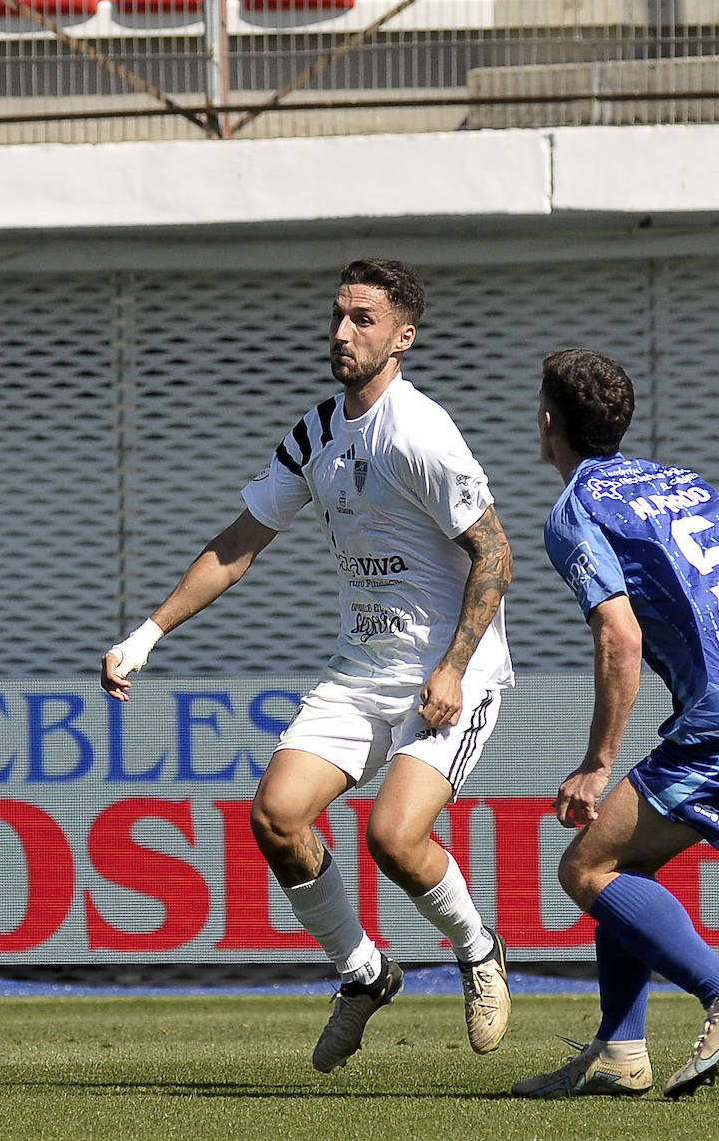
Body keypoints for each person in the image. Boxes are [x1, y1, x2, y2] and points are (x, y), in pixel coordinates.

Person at [102, 258, 514, 1071]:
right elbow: (236, 546)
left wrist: (453, 669)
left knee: (395, 842)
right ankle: (364, 974)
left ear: (403, 337)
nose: (340, 333)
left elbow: (494, 555)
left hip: (448, 672)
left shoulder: (420, 431)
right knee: (276, 817)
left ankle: (477, 949)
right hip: (360, 668)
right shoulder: (314, 432)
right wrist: (144, 637)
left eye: (362, 319)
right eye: (337, 315)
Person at [513, 348, 719, 1103]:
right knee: (623, 868)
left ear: (548, 420)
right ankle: (619, 1052)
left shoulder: (576, 509)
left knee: (584, 870)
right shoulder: (684, 483)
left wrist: (594, 763)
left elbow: (620, 638)